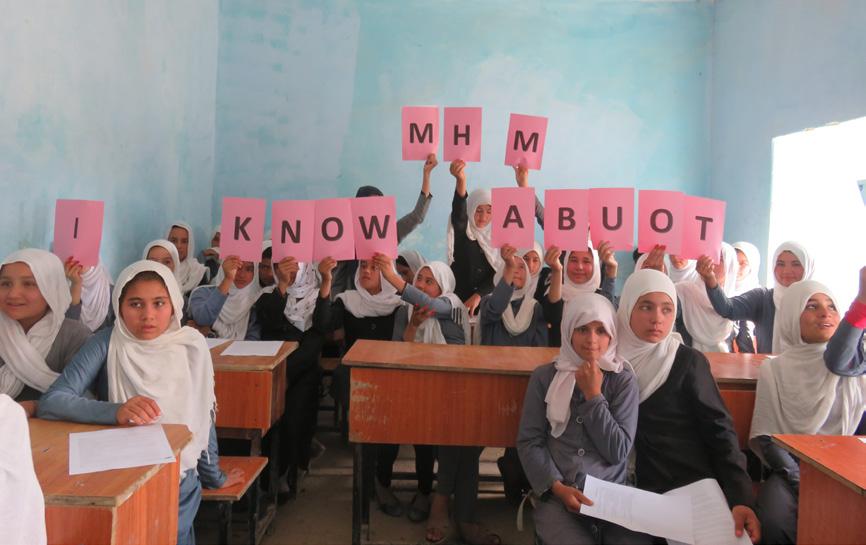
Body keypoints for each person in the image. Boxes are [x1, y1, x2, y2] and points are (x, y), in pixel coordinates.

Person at [38, 261, 242, 545]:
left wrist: (214, 476)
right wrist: (115, 411)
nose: (148, 316)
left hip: (177, 477)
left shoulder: (191, 346)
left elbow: (202, 416)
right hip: (119, 472)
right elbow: (52, 401)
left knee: (168, 535)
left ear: (173, 304)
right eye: (135, 304)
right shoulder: (107, 341)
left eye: (159, 303)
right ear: (119, 306)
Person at [617, 269, 760, 544]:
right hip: (627, 486)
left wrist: (740, 498)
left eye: (667, 309)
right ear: (626, 308)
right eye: (646, 306)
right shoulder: (610, 362)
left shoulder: (687, 362)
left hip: (685, 484)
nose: (657, 318)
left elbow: (720, 431)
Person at [517, 293, 648, 545]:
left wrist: (593, 395)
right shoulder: (545, 377)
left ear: (612, 334)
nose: (592, 340)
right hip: (558, 494)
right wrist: (557, 487)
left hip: (613, 496)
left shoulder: (622, 380)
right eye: (582, 329)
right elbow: (529, 441)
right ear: (568, 331)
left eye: (601, 330)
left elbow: (618, 450)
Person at [750, 278, 866, 544]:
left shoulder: (854, 368)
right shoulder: (775, 368)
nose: (825, 313)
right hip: (793, 469)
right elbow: (768, 437)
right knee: (774, 520)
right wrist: (801, 480)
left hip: (851, 469)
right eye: (812, 306)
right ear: (792, 315)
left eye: (832, 307)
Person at [0, 249, 91, 416]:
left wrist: (35, 407)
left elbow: (85, 397)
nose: (13, 294)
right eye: (5, 284)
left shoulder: (75, 335)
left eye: (28, 284)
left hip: (52, 435)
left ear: (51, 288)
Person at [696, 241, 815, 353]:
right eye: (780, 264)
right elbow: (728, 309)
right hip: (772, 372)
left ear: (807, 267)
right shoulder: (763, 298)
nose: (787, 270)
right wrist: (710, 278)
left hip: (812, 372)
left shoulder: (818, 300)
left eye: (796, 264)